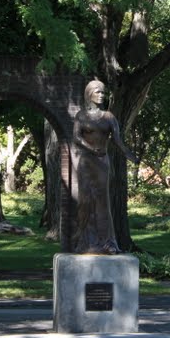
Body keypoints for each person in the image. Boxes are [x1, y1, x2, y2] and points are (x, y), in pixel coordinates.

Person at [72, 79, 138, 254]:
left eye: (103, 92)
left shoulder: (109, 117)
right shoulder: (81, 116)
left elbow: (117, 140)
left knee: (102, 202)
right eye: (97, 92)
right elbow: (76, 138)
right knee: (85, 201)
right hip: (86, 162)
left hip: (102, 163)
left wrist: (128, 154)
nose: (101, 95)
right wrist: (91, 148)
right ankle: (85, 242)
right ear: (89, 94)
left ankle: (107, 242)